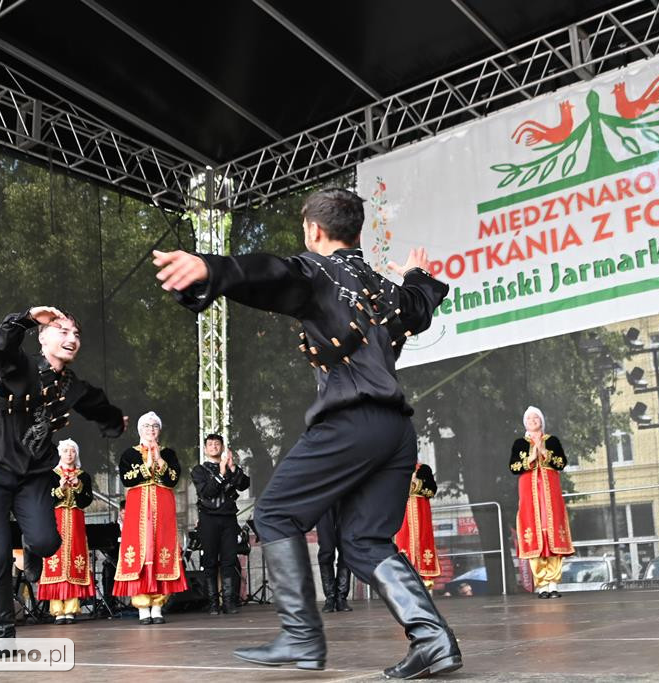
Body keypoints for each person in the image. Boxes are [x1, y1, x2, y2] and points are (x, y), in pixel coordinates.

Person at [153, 187, 459, 678]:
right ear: (356, 233)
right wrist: (417, 273)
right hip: (397, 431)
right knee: (365, 540)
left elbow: (274, 272)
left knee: (274, 513)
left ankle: (301, 637)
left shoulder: (316, 272)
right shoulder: (385, 289)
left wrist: (215, 269)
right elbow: (420, 306)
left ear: (313, 231)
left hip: (353, 423)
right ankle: (433, 640)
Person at [0, 307, 125, 643]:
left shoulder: (71, 386)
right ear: (42, 338)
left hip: (32, 476)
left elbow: (97, 404)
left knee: (46, 542)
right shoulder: (18, 367)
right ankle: (3, 631)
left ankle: (31, 543)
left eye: (76, 334)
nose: (71, 338)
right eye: (62, 331)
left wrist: (113, 422)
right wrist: (25, 317)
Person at [113, 412, 187, 624]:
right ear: (140, 430)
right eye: (146, 426)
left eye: (155, 426)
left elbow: (172, 479)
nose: (151, 429)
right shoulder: (130, 454)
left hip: (163, 505)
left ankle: (158, 605)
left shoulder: (169, 454)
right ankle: (142, 606)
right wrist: (147, 463)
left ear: (159, 430)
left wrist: (159, 459)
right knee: (141, 551)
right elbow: (128, 478)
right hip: (138, 506)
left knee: (161, 548)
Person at [510, 406, 573, 599]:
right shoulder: (520, 443)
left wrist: (544, 452)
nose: (532, 420)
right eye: (529, 418)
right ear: (525, 422)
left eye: (536, 417)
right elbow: (513, 467)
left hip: (550, 494)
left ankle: (553, 584)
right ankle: (542, 585)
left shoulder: (552, 441)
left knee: (551, 531)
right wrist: (530, 458)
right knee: (534, 533)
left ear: (541, 421)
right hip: (529, 493)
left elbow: (562, 463)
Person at [37, 439, 95, 624]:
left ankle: (70, 609)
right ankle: (57, 610)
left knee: (74, 560)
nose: (69, 454)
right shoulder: (50, 475)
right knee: (55, 561)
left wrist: (78, 486)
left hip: (76, 522)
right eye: (66, 451)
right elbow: (44, 499)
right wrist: (60, 489)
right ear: (60, 454)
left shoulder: (83, 476)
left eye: (72, 451)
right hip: (55, 521)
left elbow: (86, 500)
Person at [191, 433, 250, 615]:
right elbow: (207, 492)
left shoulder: (231, 467)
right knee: (209, 561)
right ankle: (213, 603)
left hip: (228, 518)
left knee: (229, 560)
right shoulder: (199, 471)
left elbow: (244, 485)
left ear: (223, 447)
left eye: (217, 444)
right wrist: (222, 473)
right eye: (210, 444)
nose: (214, 447)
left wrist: (232, 467)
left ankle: (230, 602)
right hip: (208, 519)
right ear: (206, 448)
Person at [394, 463, 441, 589]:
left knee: (424, 540)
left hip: (422, 513)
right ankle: (405, 579)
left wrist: (416, 483)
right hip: (403, 514)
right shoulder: (397, 468)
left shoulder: (424, 469)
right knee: (403, 542)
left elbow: (432, 491)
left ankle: (426, 578)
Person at [315, 505, 352, 613]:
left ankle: (341, 598)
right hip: (324, 497)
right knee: (326, 548)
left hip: (345, 498)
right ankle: (330, 598)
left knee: (346, 547)